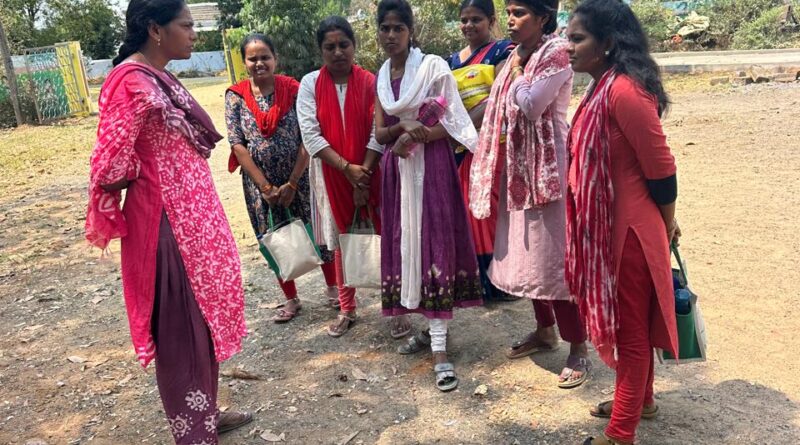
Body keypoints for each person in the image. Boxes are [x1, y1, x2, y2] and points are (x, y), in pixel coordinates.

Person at [85, 0, 251, 442]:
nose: (194, 33)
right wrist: (150, 171)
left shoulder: (158, 77)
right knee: (181, 328)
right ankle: (194, 431)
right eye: (186, 25)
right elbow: (108, 168)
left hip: (194, 220)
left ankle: (207, 412)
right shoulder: (130, 82)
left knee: (204, 319)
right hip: (165, 223)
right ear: (155, 29)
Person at [564, 1, 681, 443]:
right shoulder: (602, 87)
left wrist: (666, 225)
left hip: (629, 233)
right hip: (611, 227)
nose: (568, 47)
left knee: (630, 333)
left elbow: (662, 170)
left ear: (608, 43)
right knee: (632, 327)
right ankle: (640, 401)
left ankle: (620, 432)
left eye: (578, 39)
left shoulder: (624, 91)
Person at [469, 0, 592, 388]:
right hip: (521, 166)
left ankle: (578, 347)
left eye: (519, 12)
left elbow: (533, 105)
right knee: (529, 258)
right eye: (508, 12)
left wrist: (519, 72)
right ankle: (544, 330)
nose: (510, 20)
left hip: (549, 167)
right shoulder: (518, 54)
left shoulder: (555, 52)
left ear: (543, 17)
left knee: (554, 259)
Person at [374, 0, 483, 392]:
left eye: (398, 28)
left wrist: (416, 134)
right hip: (398, 171)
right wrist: (400, 131)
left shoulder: (434, 67)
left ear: (411, 31)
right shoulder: (381, 77)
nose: (391, 35)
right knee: (409, 248)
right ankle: (430, 331)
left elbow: (453, 123)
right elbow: (379, 132)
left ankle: (439, 349)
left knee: (433, 245)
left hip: (432, 167)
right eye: (385, 28)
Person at [297, 16, 410, 338]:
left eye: (343, 45)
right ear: (320, 50)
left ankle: (396, 307)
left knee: (385, 236)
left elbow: (378, 131)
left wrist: (364, 172)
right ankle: (347, 308)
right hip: (332, 174)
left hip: (372, 171)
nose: (337, 52)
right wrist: (347, 169)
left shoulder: (372, 82)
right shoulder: (309, 84)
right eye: (329, 47)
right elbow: (311, 135)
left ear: (354, 45)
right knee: (341, 240)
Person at [225, 33, 340, 324]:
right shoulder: (235, 96)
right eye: (252, 58)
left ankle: (332, 288)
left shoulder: (294, 90)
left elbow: (307, 136)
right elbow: (237, 145)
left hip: (299, 177)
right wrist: (265, 186)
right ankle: (291, 298)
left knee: (317, 232)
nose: (259, 63)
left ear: (275, 58)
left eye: (265, 57)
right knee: (272, 236)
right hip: (259, 186)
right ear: (244, 62)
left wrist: (292, 182)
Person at [446, 0, 517, 303]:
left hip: (492, 144)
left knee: (487, 212)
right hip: (460, 146)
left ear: (491, 20)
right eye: (464, 20)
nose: (469, 25)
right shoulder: (451, 61)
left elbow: (498, 98)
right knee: (467, 211)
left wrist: (461, 124)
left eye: (476, 19)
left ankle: (499, 281)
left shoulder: (503, 51)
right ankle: (478, 281)